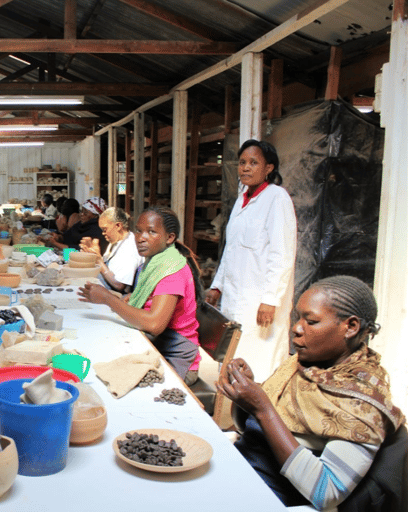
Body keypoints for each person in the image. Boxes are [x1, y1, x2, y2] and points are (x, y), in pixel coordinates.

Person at [218, 276, 404, 510]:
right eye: (298, 317)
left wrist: (263, 408)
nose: (296, 328)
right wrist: (245, 396)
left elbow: (326, 491)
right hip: (245, 466)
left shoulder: (363, 403)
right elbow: (249, 429)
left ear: (351, 326)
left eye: (311, 321)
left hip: (272, 495)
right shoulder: (304, 365)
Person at [205, 139, 297, 383]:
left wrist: (270, 299)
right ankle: (231, 405)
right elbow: (231, 248)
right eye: (242, 162)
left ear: (269, 168)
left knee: (260, 356)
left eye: (253, 163)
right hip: (237, 294)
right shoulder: (242, 199)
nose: (245, 168)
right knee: (234, 350)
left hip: (260, 298)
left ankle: (259, 409)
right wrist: (217, 285)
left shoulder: (277, 198)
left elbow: (283, 254)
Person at [78, 206, 202, 384]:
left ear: (170, 237)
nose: (141, 238)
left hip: (174, 357)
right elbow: (151, 299)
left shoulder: (171, 270)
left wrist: (108, 299)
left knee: (109, 377)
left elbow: (154, 324)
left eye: (151, 232)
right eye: (138, 231)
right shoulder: (154, 261)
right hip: (156, 345)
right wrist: (136, 300)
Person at [80, 207, 144, 293]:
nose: (103, 233)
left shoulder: (130, 248)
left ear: (118, 226)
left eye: (105, 229)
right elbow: (107, 268)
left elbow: (119, 285)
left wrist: (99, 261)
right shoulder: (116, 241)